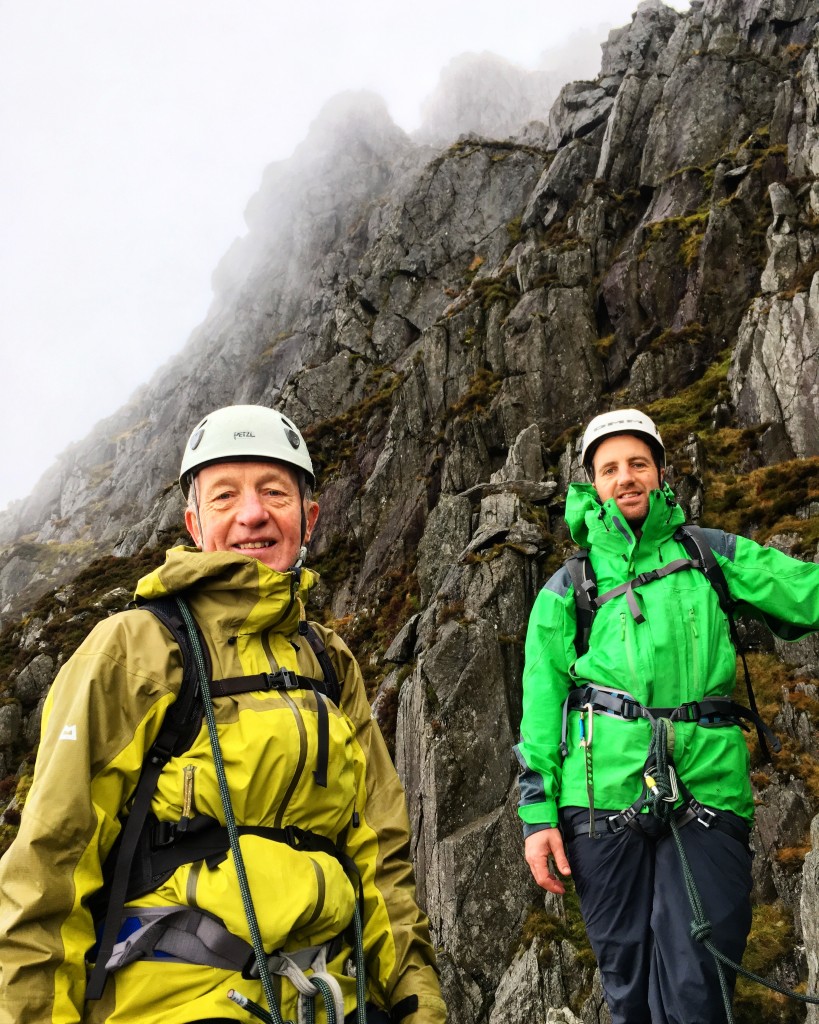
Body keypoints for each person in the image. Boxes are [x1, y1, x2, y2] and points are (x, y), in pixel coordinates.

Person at [0, 404, 447, 1024]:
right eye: (224, 495)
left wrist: (417, 1002)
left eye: (274, 492)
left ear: (309, 516)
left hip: (329, 998)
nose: (252, 513)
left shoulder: (329, 663)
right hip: (175, 1002)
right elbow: (49, 864)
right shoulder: (137, 649)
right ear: (194, 521)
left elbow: (382, 858)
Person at [514, 408, 819, 1024]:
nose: (625, 478)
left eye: (638, 464)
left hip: (706, 785)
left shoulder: (709, 554)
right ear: (591, 484)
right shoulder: (568, 587)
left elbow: (802, 589)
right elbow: (541, 706)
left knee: (699, 978)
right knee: (626, 977)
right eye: (609, 469)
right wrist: (537, 814)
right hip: (598, 798)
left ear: (659, 474)